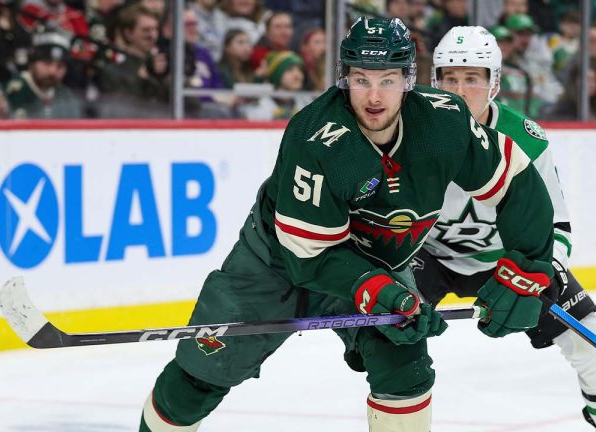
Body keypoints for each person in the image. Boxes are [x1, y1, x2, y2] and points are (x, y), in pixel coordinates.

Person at [140, 16, 556, 432]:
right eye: (361, 80)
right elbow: (309, 257)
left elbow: (516, 182)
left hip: (376, 265)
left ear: (409, 79)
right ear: (344, 78)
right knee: (198, 379)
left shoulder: (443, 121)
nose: (374, 97)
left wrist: (529, 268)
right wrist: (378, 289)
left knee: (405, 370)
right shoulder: (315, 137)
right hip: (275, 264)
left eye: (388, 80)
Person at [423, 26, 596, 431]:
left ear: (494, 84)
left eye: (472, 78)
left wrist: (539, 274)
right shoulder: (409, 134)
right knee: (394, 348)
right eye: (449, 78)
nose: (458, 89)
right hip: (429, 259)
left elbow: (557, 225)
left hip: (510, 261)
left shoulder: (525, 139)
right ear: (434, 81)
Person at [5, 32, 83, 119]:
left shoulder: (67, 97)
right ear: (32, 63)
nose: (52, 71)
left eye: (59, 66)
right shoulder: (10, 93)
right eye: (47, 63)